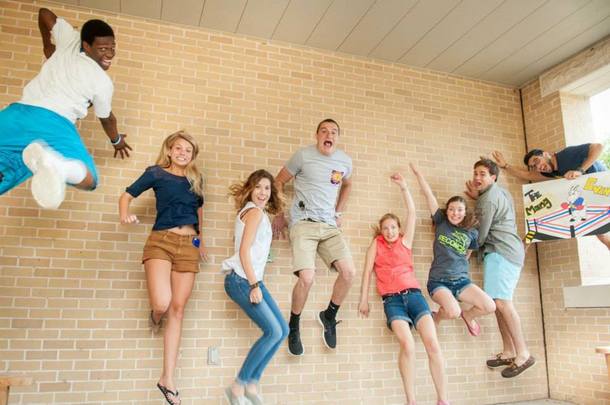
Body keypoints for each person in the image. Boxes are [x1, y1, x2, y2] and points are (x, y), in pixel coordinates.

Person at [0, 8, 131, 209]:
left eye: (112, 47)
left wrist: (47, 46)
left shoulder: (68, 38)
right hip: (52, 123)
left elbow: (44, 13)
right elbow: (107, 119)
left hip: (14, 116)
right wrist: (117, 141)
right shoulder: (102, 81)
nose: (109, 54)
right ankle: (57, 165)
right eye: (102, 49)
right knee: (89, 179)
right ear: (86, 45)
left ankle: (45, 161)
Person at [118, 131, 206, 405]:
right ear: (169, 150)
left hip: (189, 243)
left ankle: (167, 379)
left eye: (188, 150)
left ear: (192, 156)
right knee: (163, 304)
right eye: (178, 148)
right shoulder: (156, 173)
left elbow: (199, 210)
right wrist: (124, 213)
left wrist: (201, 240)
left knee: (178, 309)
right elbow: (127, 194)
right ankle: (156, 316)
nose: (182, 153)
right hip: (161, 241)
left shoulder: (196, 179)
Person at [358, 172, 449, 405]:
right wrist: (364, 300)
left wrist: (404, 187)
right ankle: (411, 401)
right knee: (408, 344)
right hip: (392, 301)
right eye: (385, 228)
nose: (389, 231)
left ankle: (443, 399)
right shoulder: (375, 246)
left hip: (415, 297)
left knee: (432, 343)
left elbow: (412, 213)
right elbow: (367, 272)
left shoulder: (405, 241)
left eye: (392, 227)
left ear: (399, 229)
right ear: (381, 230)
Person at [272, 118, 356, 356]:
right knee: (307, 279)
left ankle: (329, 316)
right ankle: (294, 324)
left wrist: (339, 211)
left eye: (334, 132)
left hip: (329, 226)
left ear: (337, 138)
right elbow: (278, 181)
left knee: (349, 273)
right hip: (303, 223)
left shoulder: (345, 162)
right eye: (324, 131)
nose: (329, 135)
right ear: (317, 135)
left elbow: (348, 185)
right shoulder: (303, 156)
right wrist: (279, 213)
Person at [222, 170, 288, 405]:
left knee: (282, 330)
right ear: (250, 188)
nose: (262, 192)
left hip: (250, 279)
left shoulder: (256, 213)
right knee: (272, 331)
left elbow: (251, 249)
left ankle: (252, 382)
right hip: (242, 280)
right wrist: (253, 284)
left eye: (267, 188)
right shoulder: (254, 213)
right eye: (258, 187)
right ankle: (238, 386)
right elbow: (243, 251)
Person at [465, 159, 535, 378]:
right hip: (509, 252)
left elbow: (481, 235)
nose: (477, 178)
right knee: (497, 303)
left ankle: (523, 353)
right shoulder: (500, 193)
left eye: (483, 174)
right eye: (476, 173)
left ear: (493, 177)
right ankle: (508, 351)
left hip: (501, 253)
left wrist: (465, 253)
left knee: (503, 303)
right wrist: (479, 199)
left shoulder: (487, 200)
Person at [410, 164, 495, 336]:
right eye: (451, 209)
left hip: (462, 282)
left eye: (459, 210)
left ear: (465, 212)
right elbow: (429, 196)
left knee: (489, 306)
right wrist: (419, 174)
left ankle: (469, 315)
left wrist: (461, 262)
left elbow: (468, 253)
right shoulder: (441, 222)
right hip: (439, 281)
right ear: (446, 211)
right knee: (452, 311)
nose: (455, 213)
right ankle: (437, 318)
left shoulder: (471, 232)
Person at [492, 146, 609, 249]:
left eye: (537, 161)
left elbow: (597, 147)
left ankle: (524, 245)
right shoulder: (550, 173)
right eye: (534, 166)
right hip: (590, 197)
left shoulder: (565, 155)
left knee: (600, 231)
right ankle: (524, 245)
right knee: (601, 233)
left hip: (603, 188)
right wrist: (505, 165)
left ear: (546, 154)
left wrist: (580, 170)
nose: (538, 167)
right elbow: (527, 175)